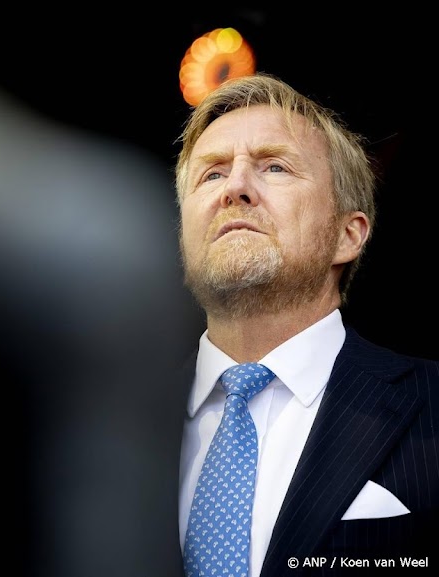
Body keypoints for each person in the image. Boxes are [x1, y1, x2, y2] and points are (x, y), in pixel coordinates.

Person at [174, 72, 437, 576]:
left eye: (274, 166)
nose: (235, 189)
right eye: (212, 174)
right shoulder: (104, 422)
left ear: (347, 235)